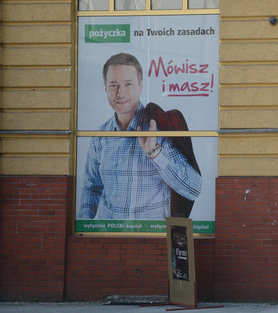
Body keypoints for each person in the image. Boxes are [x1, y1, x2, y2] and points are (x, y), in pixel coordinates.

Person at [79, 52, 202, 220]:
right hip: (110, 238)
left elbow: (193, 190)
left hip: (153, 238)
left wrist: (156, 153)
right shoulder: (100, 137)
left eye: (128, 84)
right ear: (105, 87)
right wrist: (86, 230)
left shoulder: (159, 128)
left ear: (140, 86)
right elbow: (91, 188)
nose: (120, 93)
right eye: (113, 85)